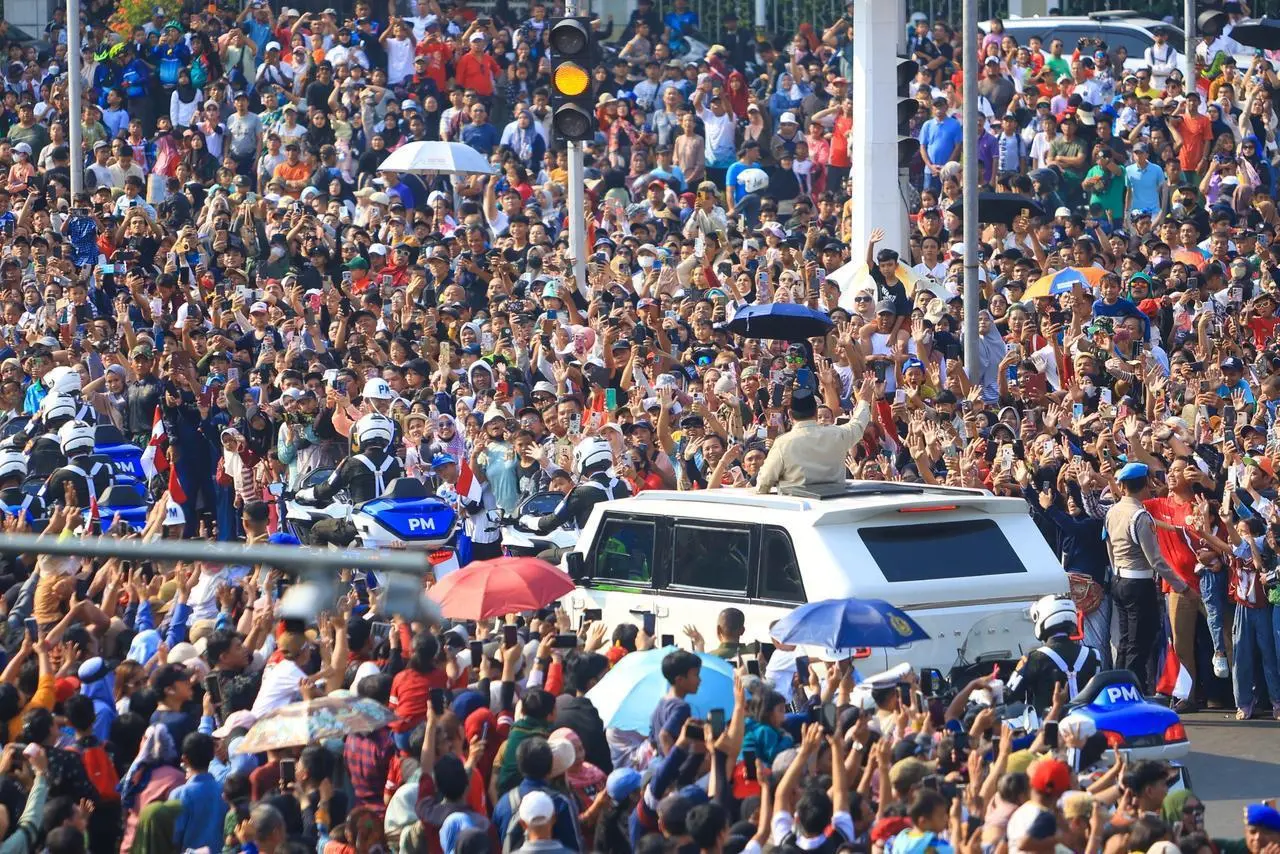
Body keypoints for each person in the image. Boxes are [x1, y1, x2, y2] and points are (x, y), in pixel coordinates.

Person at [1105, 463, 1195, 694]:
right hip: (1138, 582)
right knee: (1139, 643)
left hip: (1119, 579)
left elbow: (1108, 547)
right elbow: (1156, 560)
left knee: (1125, 642)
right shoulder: (1140, 516)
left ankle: (1119, 689)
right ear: (1145, 483)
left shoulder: (1112, 511)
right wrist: (1182, 587)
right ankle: (1131, 693)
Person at [756, 368, 875, 493]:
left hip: (798, 507)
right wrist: (863, 400)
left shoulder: (783, 443)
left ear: (790, 415)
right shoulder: (837, 434)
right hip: (836, 504)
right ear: (815, 412)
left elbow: (763, 484)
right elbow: (858, 424)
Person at [1006, 595, 1101, 712]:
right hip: (1087, 726)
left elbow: (1009, 695)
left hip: (1049, 727)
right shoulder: (1093, 655)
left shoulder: (1033, 658)